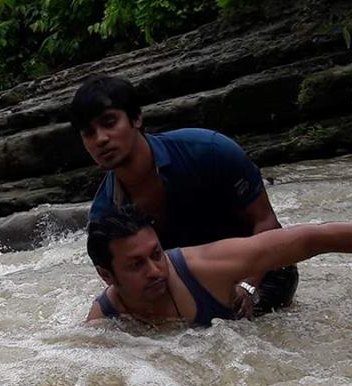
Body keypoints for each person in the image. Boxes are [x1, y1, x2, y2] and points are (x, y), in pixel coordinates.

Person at [70, 74, 294, 317]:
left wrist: (248, 284)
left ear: (136, 118)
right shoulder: (105, 216)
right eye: (89, 133)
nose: (101, 139)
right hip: (188, 291)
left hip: (262, 273)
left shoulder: (209, 151)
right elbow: (126, 286)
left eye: (109, 122)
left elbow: (266, 221)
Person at [86, 205, 352, 327]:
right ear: (107, 275)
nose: (154, 270)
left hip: (264, 286)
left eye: (156, 254)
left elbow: (313, 238)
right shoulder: (105, 319)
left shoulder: (208, 266)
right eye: (136, 264)